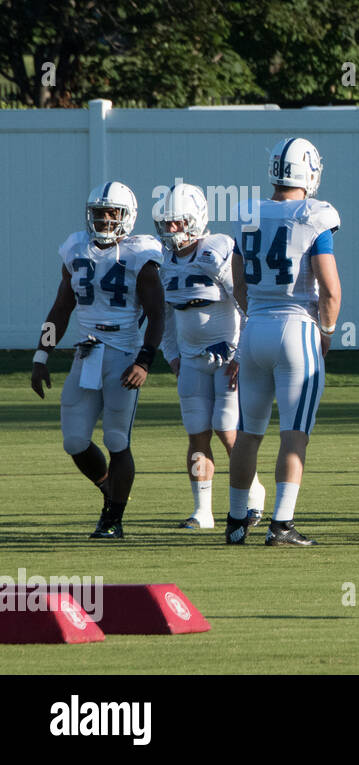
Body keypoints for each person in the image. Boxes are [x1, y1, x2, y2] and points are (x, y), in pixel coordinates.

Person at [31, 181, 164, 539]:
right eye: (99, 213)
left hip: (123, 355)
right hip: (86, 354)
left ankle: (113, 518)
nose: (105, 220)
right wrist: (42, 354)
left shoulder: (141, 254)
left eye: (112, 213)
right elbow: (61, 307)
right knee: (74, 440)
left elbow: (157, 313)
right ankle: (109, 487)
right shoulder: (76, 249)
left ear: (127, 216)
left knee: (117, 439)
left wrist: (145, 360)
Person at [226, 137, 341, 546]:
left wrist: (254, 312)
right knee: (294, 433)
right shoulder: (315, 214)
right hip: (297, 329)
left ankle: (237, 521)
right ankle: (281, 524)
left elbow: (237, 284)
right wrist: (326, 332)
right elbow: (329, 289)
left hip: (254, 327)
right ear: (309, 171)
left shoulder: (250, 213)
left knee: (247, 432)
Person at [157, 182, 266, 530]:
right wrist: (171, 354)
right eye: (167, 222)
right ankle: (202, 510)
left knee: (226, 429)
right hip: (190, 360)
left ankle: (253, 495)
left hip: (226, 357)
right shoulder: (165, 260)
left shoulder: (217, 250)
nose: (172, 229)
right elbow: (167, 316)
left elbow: (245, 304)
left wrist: (242, 353)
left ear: (197, 218)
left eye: (178, 222)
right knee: (196, 433)